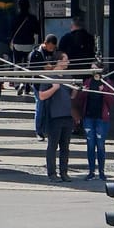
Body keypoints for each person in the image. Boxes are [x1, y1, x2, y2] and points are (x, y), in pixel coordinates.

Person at [37, 52, 76, 182]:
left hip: (67, 116)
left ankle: (64, 172)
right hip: (54, 117)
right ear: (59, 61)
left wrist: (76, 88)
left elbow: (72, 96)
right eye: (66, 60)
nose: (68, 62)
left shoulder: (68, 75)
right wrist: (54, 88)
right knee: (53, 146)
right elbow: (42, 96)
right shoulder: (49, 77)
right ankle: (52, 173)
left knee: (65, 147)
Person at [73, 69, 114, 180]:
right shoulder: (87, 82)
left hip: (101, 118)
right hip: (88, 116)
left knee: (100, 145)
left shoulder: (107, 82)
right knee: (90, 145)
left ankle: (101, 171)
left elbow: (111, 101)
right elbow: (79, 99)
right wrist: (84, 92)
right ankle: (91, 171)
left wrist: (104, 91)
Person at [9, 0, 42, 71]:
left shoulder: (15, 17)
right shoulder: (32, 18)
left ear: (19, 6)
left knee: (17, 63)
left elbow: (11, 30)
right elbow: (37, 31)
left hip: (17, 44)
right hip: (29, 44)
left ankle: (18, 78)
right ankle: (27, 79)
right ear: (29, 6)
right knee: (28, 63)